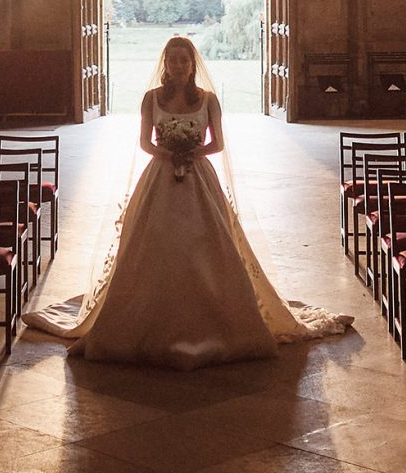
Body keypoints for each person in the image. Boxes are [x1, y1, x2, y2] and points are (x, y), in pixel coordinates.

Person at [25, 36, 353, 369]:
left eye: (184, 60)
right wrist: (165, 152)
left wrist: (194, 151)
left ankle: (213, 319)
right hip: (159, 177)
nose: (179, 66)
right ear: (164, 64)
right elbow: (143, 143)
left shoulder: (208, 100)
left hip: (199, 178)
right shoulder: (151, 99)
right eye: (173, 60)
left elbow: (219, 144)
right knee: (153, 245)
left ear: (192, 64)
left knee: (208, 246)